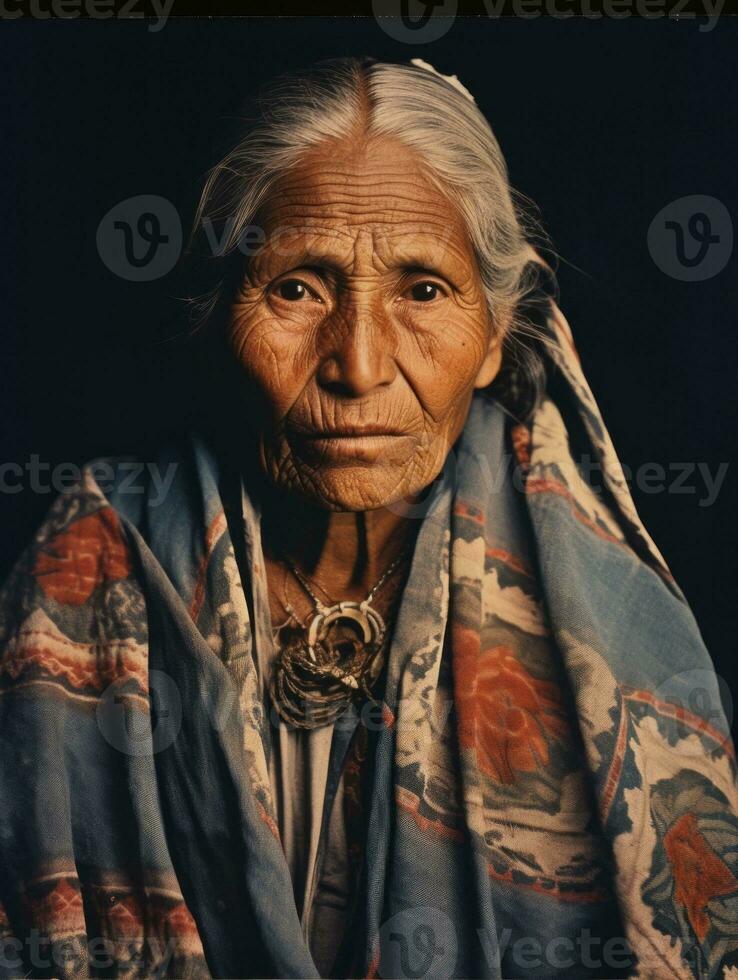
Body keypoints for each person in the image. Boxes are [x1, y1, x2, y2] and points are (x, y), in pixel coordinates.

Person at [1, 57, 736, 980]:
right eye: (297, 287)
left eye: (424, 290)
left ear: (495, 335)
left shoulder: (611, 636)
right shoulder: (91, 566)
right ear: (219, 314)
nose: (358, 363)